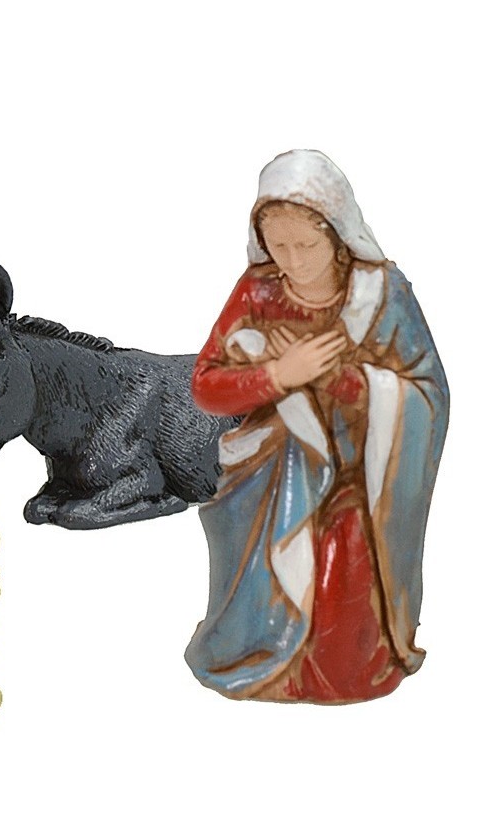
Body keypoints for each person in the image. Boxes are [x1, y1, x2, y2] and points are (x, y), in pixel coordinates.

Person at [185, 149, 449, 702]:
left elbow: (427, 392)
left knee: (343, 597)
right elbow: (206, 385)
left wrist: (340, 381)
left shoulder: (382, 293)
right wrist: (278, 375)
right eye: (279, 246)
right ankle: (259, 654)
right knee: (262, 579)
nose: (294, 261)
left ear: (338, 235)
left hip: (359, 477)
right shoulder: (258, 290)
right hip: (271, 473)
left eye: (306, 246)